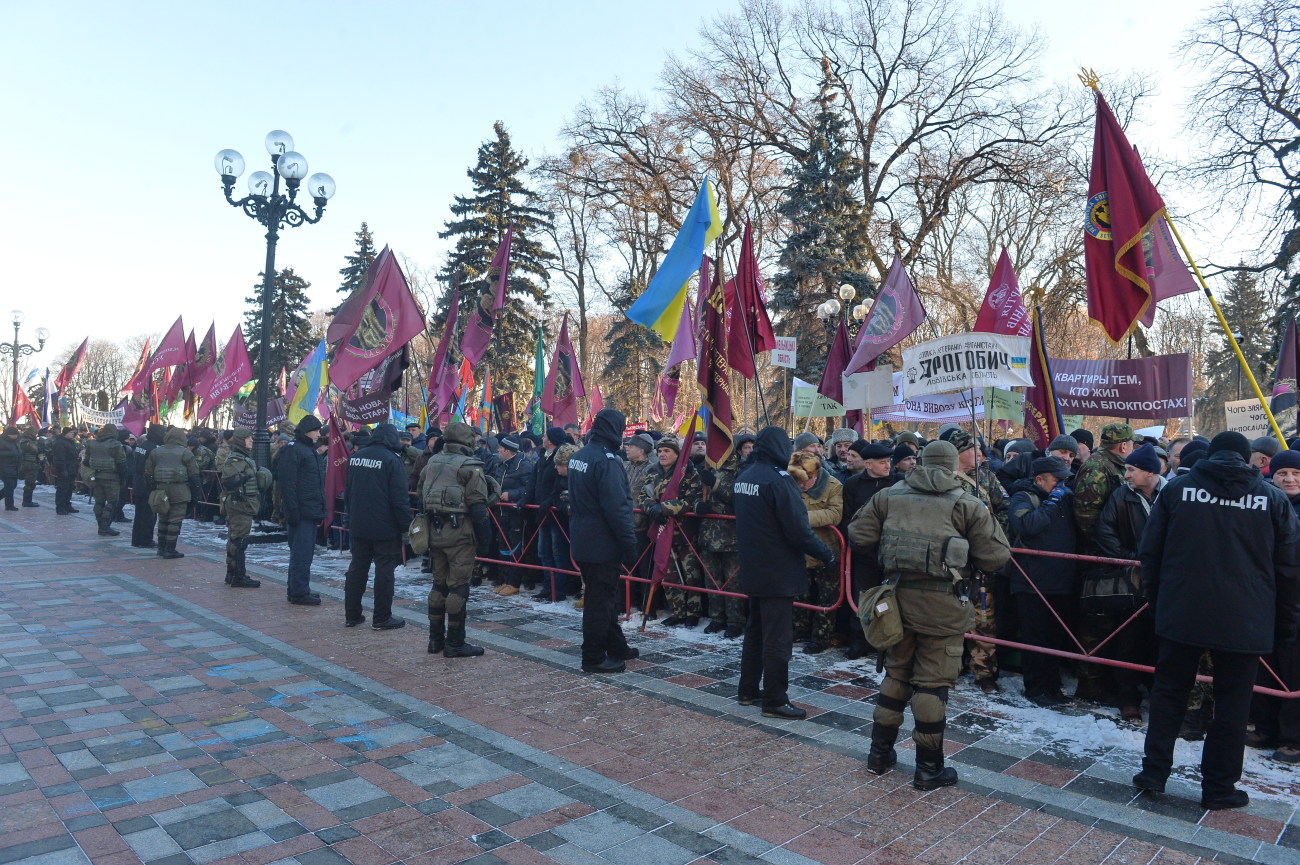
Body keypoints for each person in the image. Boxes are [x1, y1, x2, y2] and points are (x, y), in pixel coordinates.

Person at [1134, 431, 1300, 810]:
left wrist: (1159, 602)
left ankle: (1154, 771)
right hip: (1246, 617)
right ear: (1249, 460)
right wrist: (1285, 623)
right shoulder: (1273, 500)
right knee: (1233, 705)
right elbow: (1290, 570)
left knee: (1169, 693)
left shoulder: (1177, 491)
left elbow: (1151, 551)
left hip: (1183, 611)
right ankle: (1219, 787)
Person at [848, 440, 1011, 789]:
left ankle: (879, 755)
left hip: (896, 602)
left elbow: (858, 534)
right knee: (932, 685)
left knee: (896, 676)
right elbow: (996, 556)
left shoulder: (890, 495)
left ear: (921, 462)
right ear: (953, 466)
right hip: (945, 608)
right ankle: (929, 768)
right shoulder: (967, 503)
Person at [735, 426, 835, 719]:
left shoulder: (746, 476)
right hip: (778, 569)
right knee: (778, 638)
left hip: (753, 566)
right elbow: (798, 530)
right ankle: (775, 700)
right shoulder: (779, 481)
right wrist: (825, 553)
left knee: (755, 631)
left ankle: (748, 689)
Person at [1093, 443, 1165, 720]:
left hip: (1164, 580)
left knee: (1159, 642)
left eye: (1132, 469)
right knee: (1128, 640)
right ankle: (1128, 699)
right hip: (1132, 579)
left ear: (1150, 472)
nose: (1126, 475)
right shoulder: (1122, 496)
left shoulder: (1171, 493)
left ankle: (1157, 697)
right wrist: (1128, 558)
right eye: (1126, 469)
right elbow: (1105, 528)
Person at [568, 409, 640, 673]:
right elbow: (618, 508)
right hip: (602, 542)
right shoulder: (607, 461)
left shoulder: (580, 455)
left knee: (605, 597)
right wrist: (629, 544)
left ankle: (616, 645)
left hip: (584, 538)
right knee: (599, 601)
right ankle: (593, 656)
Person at [1072, 422, 1136, 703]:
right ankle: (1090, 684)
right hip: (1098, 559)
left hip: (1113, 556)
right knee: (1095, 622)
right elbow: (1086, 517)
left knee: (1113, 623)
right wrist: (1107, 549)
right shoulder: (1098, 468)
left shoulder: (1115, 466)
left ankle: (1106, 680)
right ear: (1124, 445)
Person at [941, 428, 1008, 695]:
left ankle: (984, 671)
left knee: (984, 618)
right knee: (948, 617)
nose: (980, 454)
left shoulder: (987, 478)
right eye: (973, 449)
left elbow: (1004, 508)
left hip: (981, 561)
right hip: (952, 563)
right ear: (957, 454)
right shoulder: (943, 479)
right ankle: (949, 666)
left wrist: (993, 539)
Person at [1007, 456, 1077, 707]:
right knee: (1035, 637)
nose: (1061, 486)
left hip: (1060, 578)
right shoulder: (1023, 497)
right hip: (1031, 580)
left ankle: (1052, 686)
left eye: (1063, 481)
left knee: (1054, 638)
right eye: (1056, 481)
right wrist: (1051, 502)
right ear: (1040, 479)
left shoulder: (1065, 500)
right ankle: (1035, 688)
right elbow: (1027, 526)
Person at [420, 422, 492, 658]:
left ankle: (435, 639)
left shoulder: (432, 463)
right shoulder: (470, 466)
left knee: (438, 584)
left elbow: (420, 491)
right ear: (468, 442)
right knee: (458, 587)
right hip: (460, 535)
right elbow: (479, 508)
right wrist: (486, 542)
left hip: (435, 532)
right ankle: (455, 642)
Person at [1253, 448, 1300, 763]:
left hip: (1296, 600)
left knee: (1294, 671)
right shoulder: (1265, 503)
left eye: (1296, 474)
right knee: (1265, 666)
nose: (1290, 479)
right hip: (1267, 596)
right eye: (1283, 473)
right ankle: (1265, 726)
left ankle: (1292, 738)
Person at [342, 423, 409, 630]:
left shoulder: (356, 457)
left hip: (359, 523)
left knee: (357, 569)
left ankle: (352, 615)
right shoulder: (392, 460)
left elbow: (349, 490)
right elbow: (399, 499)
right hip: (385, 526)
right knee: (384, 572)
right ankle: (381, 617)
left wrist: (350, 517)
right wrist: (406, 526)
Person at [639, 437, 705, 628]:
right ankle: (677, 611)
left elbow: (692, 499)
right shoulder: (652, 472)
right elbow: (643, 495)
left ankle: (693, 613)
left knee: (691, 574)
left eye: (667, 451)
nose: (662, 454)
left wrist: (665, 508)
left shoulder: (688, 472)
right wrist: (652, 508)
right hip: (662, 530)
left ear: (677, 454)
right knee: (669, 573)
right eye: (660, 451)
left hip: (684, 532)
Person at [787, 451, 843, 654]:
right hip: (799, 551)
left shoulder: (833, 486)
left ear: (816, 475)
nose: (800, 485)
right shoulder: (790, 481)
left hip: (825, 551)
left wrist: (801, 518)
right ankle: (799, 628)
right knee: (800, 594)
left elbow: (835, 514)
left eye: (805, 480)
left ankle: (821, 637)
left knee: (826, 598)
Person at [696, 444, 746, 638]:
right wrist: (698, 505)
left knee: (733, 582)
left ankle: (735, 621)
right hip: (708, 535)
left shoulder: (741, 470)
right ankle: (717, 618)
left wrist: (715, 484)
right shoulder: (706, 467)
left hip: (731, 537)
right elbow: (694, 493)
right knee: (712, 581)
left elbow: (736, 497)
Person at [276, 415, 326, 605]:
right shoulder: (294, 450)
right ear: (306, 431)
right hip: (302, 512)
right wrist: (293, 512)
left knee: (305, 553)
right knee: (301, 553)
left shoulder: (306, 449)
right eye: (316, 431)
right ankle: (298, 591)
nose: (318, 435)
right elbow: (288, 485)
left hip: (310, 510)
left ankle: (299, 588)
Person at [219, 429, 268, 588]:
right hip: (240, 504)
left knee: (235, 539)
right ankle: (239, 576)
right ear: (240, 440)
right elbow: (228, 482)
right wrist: (247, 474)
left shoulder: (244, 457)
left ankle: (231, 573)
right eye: (248, 438)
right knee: (239, 540)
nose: (251, 440)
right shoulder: (235, 459)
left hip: (244, 504)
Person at [143, 427, 200, 559]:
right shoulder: (186, 453)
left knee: (163, 519)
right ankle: (170, 549)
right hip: (180, 491)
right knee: (175, 520)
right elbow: (194, 475)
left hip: (161, 490)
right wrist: (195, 494)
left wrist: (153, 489)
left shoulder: (156, 452)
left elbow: (147, 473)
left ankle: (161, 548)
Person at [489, 433, 535, 596]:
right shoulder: (500, 465)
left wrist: (512, 494)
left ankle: (514, 582)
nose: (498, 450)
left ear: (508, 450)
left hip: (516, 513)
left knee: (516, 548)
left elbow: (530, 488)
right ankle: (505, 579)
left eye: (501, 448)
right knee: (503, 547)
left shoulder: (524, 465)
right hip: (500, 512)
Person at [82, 424, 127, 534]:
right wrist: (123, 479)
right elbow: (121, 464)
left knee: (99, 502)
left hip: (96, 477)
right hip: (112, 477)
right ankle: (105, 526)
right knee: (112, 502)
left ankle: (100, 525)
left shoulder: (92, 443)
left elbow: (86, 462)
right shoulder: (115, 445)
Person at [130, 424, 165, 548]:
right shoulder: (154, 448)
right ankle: (146, 540)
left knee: (139, 514)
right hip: (148, 485)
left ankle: (136, 539)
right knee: (149, 515)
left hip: (138, 483)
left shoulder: (142, 445)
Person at [51, 427, 80, 515]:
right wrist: (63, 470)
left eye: (73, 433)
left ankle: (67, 505)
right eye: (71, 432)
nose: (72, 434)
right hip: (64, 469)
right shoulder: (60, 443)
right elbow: (60, 458)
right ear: (65, 433)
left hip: (71, 469)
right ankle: (60, 507)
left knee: (70, 488)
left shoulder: (71, 442)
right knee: (62, 488)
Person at [18, 427, 41, 508]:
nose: (36, 435)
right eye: (35, 433)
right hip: (29, 464)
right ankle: (26, 501)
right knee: (29, 483)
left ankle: (28, 500)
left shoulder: (30, 441)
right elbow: (35, 449)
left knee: (31, 483)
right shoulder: (25, 441)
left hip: (32, 464)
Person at [0, 426, 21, 511]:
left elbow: (18, 451)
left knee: (13, 485)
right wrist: (10, 453)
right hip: (5, 467)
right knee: (9, 486)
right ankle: (9, 505)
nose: (15, 436)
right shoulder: (2, 441)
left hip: (15, 467)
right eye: (13, 435)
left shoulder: (15, 441)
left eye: (16, 434)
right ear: (8, 434)